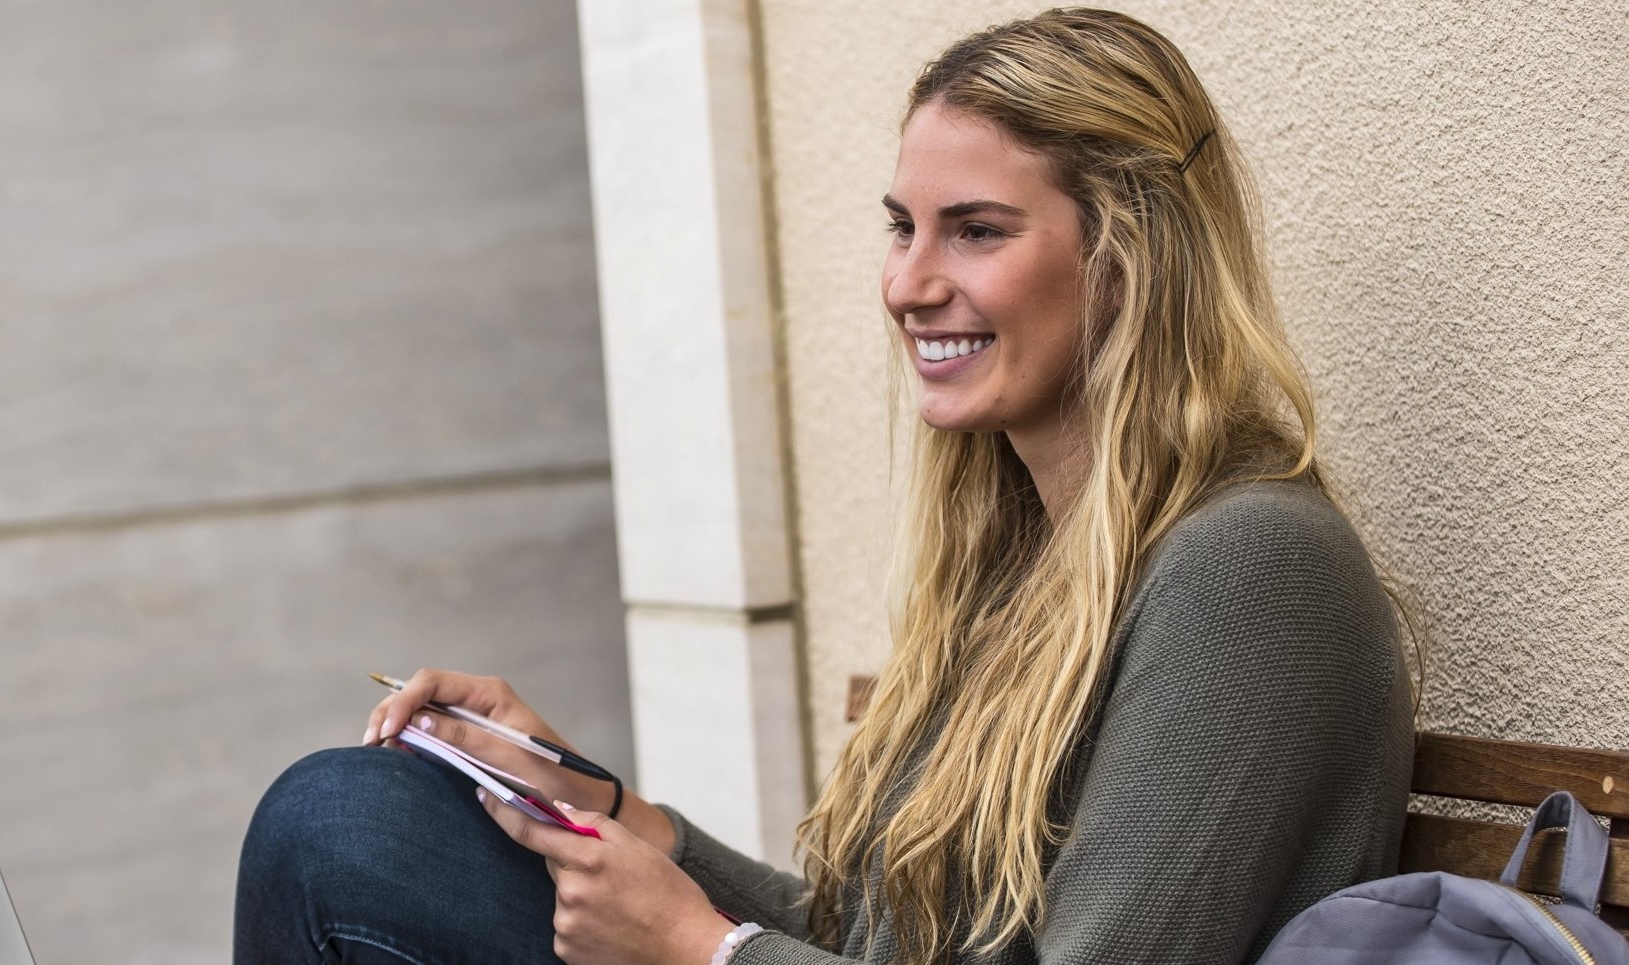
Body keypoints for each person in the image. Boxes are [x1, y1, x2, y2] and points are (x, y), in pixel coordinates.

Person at [233, 8, 1415, 964]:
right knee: (352, 811)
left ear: (1128, 255)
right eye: (901, 226)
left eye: (976, 231)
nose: (907, 281)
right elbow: (870, 939)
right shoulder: (1024, 566)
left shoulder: (1252, 566)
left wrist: (701, 950)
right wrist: (611, 811)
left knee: (333, 830)